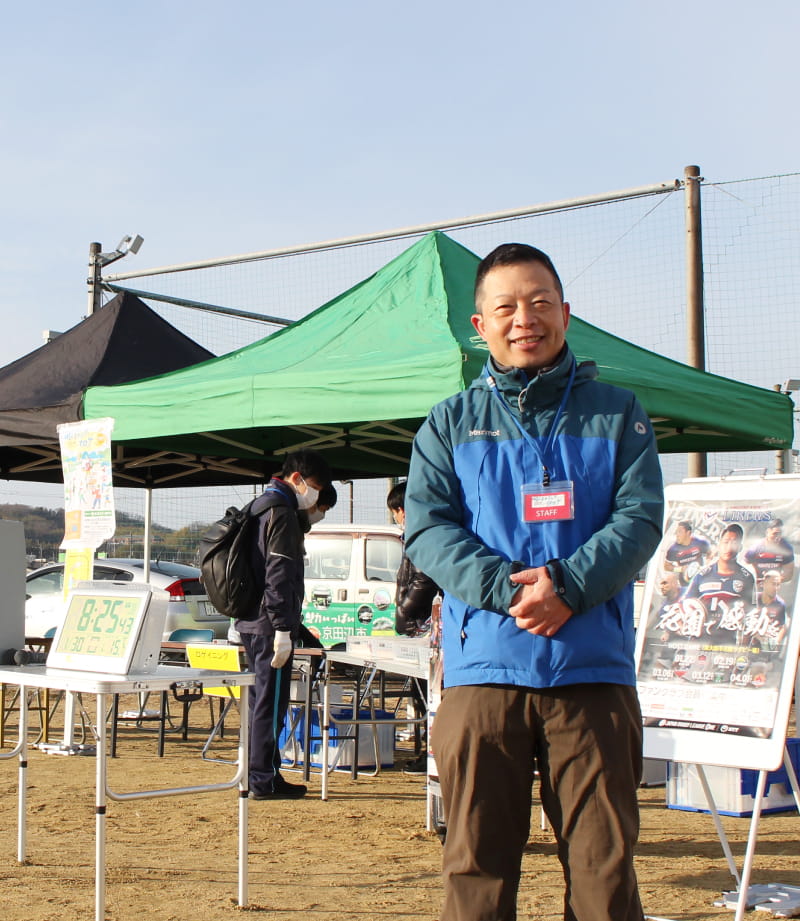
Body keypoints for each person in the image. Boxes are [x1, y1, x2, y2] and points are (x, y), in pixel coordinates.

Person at [404, 242, 663, 921]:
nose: (526, 318)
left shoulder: (618, 413)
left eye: (540, 302)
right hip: (485, 672)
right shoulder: (449, 423)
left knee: (605, 875)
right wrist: (513, 590)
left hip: (592, 671)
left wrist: (568, 585)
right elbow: (428, 530)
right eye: (507, 307)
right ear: (480, 325)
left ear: (566, 314)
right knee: (476, 871)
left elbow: (640, 519)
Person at [235, 448, 331, 800]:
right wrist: (282, 627)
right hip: (269, 624)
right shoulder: (282, 512)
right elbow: (279, 573)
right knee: (270, 703)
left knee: (259, 701)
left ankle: (260, 773)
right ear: (297, 478)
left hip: (251, 619)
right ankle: (263, 778)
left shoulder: (259, 506)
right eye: (315, 487)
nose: (314, 495)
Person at [387, 480, 440, 775]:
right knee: (424, 695)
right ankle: (426, 752)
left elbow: (423, 579)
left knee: (427, 696)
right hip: (419, 627)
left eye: (395, 512)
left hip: (421, 627)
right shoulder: (419, 535)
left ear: (402, 510)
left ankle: (430, 754)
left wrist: (405, 609)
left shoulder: (420, 536)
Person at [684, 523, 756, 636]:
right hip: (701, 637)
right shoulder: (702, 575)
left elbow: (750, 612)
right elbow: (687, 603)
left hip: (729, 638)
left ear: (740, 547)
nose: (729, 547)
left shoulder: (747, 577)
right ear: (719, 544)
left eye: (734, 543)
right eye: (726, 542)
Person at [744, 518, 795, 586]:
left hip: (774, 585)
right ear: (767, 532)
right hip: (756, 583)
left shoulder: (786, 548)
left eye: (780, 534)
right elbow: (744, 567)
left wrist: (772, 581)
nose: (777, 537)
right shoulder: (755, 547)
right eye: (775, 534)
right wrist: (754, 578)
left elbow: (789, 574)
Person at [664, 520, 710, 586]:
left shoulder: (700, 542)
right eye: (676, 532)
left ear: (688, 533)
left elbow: (710, 553)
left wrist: (706, 565)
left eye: (680, 532)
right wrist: (680, 569)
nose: (677, 534)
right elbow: (666, 566)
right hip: (684, 582)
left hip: (701, 580)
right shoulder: (673, 549)